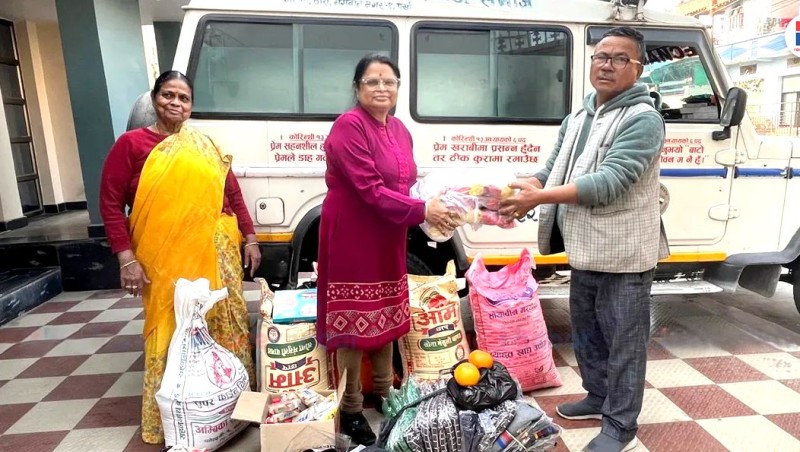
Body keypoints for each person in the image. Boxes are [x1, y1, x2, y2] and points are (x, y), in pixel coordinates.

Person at [500, 27, 669, 452]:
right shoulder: (579, 115)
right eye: (600, 56)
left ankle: (620, 425)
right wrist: (523, 186)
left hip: (626, 254)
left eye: (619, 58)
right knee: (587, 333)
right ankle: (597, 396)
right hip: (586, 247)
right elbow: (555, 168)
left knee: (624, 343)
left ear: (638, 68)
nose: (606, 64)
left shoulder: (644, 119)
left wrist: (540, 196)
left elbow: (609, 182)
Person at [99, 71, 260, 444]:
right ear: (154, 99)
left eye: (183, 98)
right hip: (164, 257)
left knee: (226, 319)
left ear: (191, 105)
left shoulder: (204, 144)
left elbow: (231, 193)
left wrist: (249, 237)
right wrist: (126, 259)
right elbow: (110, 204)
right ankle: (175, 421)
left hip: (219, 250)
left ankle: (232, 410)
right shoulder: (131, 145)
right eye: (168, 95)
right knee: (174, 325)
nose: (176, 103)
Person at [316, 54, 456, 445]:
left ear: (398, 88)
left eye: (389, 81)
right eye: (372, 81)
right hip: (353, 234)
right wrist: (422, 210)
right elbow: (370, 189)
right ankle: (352, 408)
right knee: (353, 320)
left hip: (388, 232)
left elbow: (405, 183)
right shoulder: (348, 127)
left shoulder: (399, 129)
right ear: (358, 87)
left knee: (387, 313)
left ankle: (384, 391)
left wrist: (440, 204)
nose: (382, 88)